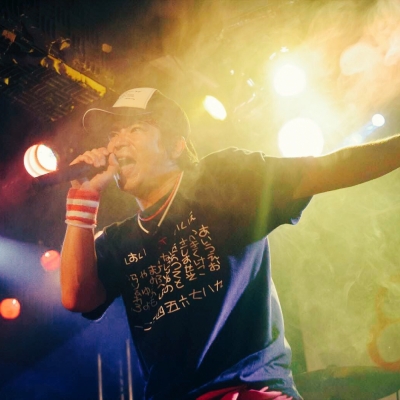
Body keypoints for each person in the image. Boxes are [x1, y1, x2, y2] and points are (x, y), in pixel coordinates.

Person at [60, 87, 400, 400]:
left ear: (176, 146)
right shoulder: (118, 241)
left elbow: (328, 169)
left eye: (135, 129)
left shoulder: (220, 181)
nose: (117, 143)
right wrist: (84, 198)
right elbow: (76, 297)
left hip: (249, 389)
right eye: (113, 133)